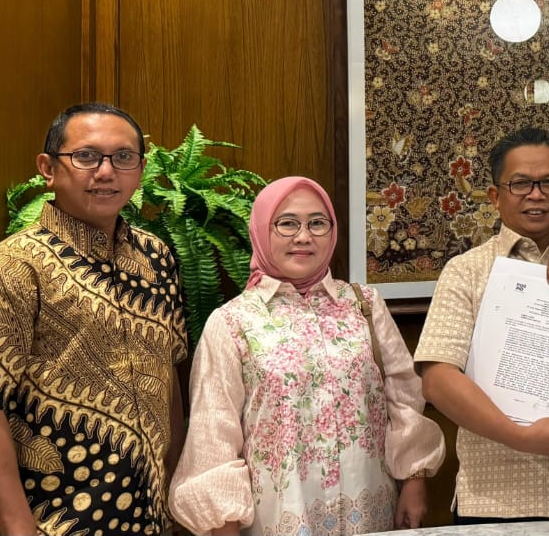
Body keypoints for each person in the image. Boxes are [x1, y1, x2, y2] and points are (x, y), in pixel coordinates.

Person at [0, 103, 186, 536]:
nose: (106, 172)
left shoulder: (157, 257)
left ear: (141, 169)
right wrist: (19, 529)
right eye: (86, 156)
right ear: (48, 168)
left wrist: (176, 494)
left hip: (153, 518)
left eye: (123, 157)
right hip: (56, 521)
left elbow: (169, 375)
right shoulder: (10, 267)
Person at [168, 176, 445, 535]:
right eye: (287, 223)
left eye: (317, 223)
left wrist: (414, 479)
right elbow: (213, 435)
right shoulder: (233, 322)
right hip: (281, 516)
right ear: (261, 230)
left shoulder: (364, 305)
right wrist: (224, 526)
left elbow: (404, 397)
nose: (303, 236)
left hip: (371, 510)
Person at [414, 127, 549, 523]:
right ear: (495, 196)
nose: (536, 194)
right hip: (496, 498)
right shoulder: (466, 272)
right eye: (521, 183)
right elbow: (437, 380)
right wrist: (521, 437)